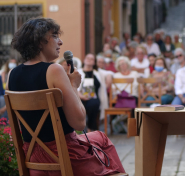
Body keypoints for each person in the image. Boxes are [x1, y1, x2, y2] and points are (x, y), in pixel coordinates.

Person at [8, 18, 125, 175]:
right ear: (40, 41)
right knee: (101, 138)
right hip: (66, 158)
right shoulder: (54, 70)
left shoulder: (12, 74)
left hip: (33, 159)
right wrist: (74, 86)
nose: (60, 42)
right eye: (55, 36)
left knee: (97, 136)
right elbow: (79, 124)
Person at [77, 54, 102, 132]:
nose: (89, 60)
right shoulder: (78, 72)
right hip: (79, 97)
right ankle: (78, 129)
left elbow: (109, 73)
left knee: (93, 104)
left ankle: (90, 129)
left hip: (94, 98)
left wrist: (109, 76)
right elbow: (73, 86)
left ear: (94, 62)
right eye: (88, 58)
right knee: (78, 105)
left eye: (92, 59)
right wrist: (80, 95)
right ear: (84, 60)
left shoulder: (97, 73)